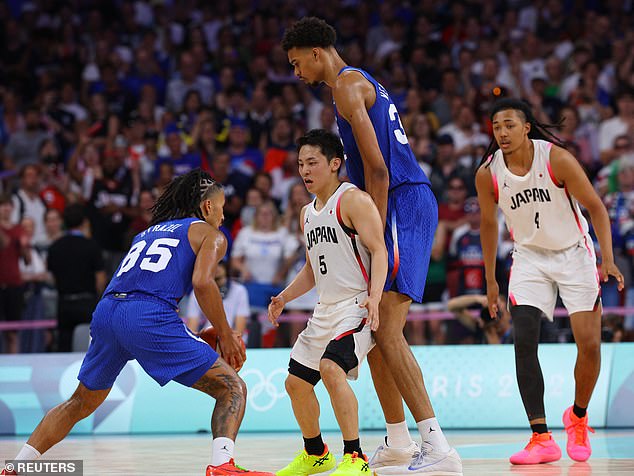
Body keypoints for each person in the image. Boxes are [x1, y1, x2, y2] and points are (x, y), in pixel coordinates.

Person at [1, 169, 273, 476]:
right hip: (147, 315)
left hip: (107, 312)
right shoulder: (210, 235)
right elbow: (203, 283)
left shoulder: (146, 233)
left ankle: (17, 467)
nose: (223, 216)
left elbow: (145, 287)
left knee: (80, 401)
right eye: (222, 208)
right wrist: (224, 333)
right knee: (232, 388)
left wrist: (192, 336)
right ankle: (223, 466)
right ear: (208, 207)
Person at [282, 18, 462, 475]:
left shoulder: (345, 87)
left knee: (386, 329)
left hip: (399, 201)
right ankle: (399, 441)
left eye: (296, 61)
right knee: (377, 332)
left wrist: (374, 230)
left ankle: (437, 445)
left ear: (316, 51)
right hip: (399, 200)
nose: (295, 71)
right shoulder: (359, 81)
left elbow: (378, 170)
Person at [475, 98, 625, 465]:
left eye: (509, 124)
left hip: (574, 253)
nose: (502, 132)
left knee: (589, 345)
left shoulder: (556, 159)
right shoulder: (488, 172)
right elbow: (488, 224)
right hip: (529, 258)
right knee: (523, 340)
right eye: (497, 126)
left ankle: (577, 416)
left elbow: (596, 207)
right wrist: (491, 281)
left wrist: (608, 257)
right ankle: (540, 437)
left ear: (526, 127)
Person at [268, 129, 386, 475]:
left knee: (331, 369)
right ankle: (317, 453)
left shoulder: (353, 200)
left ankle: (356, 458)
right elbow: (311, 267)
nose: (305, 170)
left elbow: (379, 250)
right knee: (295, 383)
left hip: (356, 305)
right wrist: (284, 298)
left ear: (335, 164)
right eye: (301, 163)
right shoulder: (307, 214)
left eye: (313, 162)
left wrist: (375, 299)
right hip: (325, 309)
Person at [47, 204, 106, 352]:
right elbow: (100, 279)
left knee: (64, 347)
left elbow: (52, 278)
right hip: (87, 302)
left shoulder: (55, 247)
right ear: (84, 222)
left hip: (64, 303)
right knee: (90, 347)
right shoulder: (91, 246)